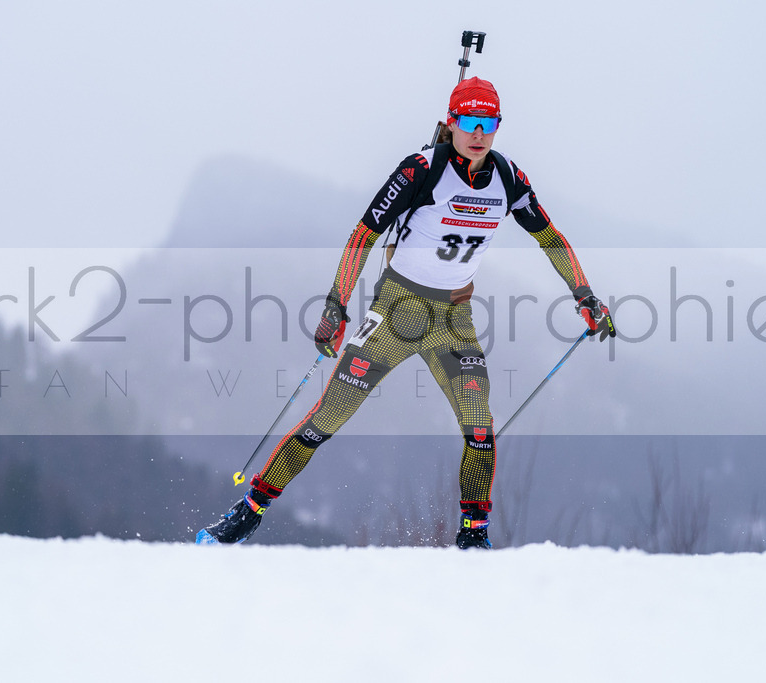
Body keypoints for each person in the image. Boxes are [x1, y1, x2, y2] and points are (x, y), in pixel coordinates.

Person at [196, 76, 616, 549]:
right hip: (397, 311)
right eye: (470, 122)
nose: (479, 134)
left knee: (479, 428)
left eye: (489, 124)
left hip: (454, 320)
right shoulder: (421, 168)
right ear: (452, 123)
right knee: (328, 417)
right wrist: (336, 304)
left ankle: (473, 535)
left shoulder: (508, 178)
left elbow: (550, 238)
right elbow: (364, 234)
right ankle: (249, 511)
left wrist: (584, 295)